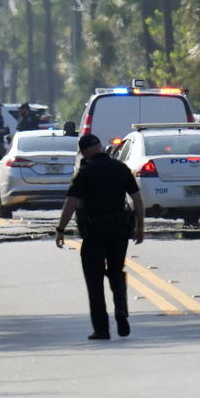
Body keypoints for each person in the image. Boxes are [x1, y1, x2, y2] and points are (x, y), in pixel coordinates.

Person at [54, 133, 145, 340]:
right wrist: (140, 226)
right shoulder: (121, 169)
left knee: (94, 280)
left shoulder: (84, 173)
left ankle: (102, 329)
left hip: (94, 231)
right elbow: (137, 199)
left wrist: (60, 229)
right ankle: (121, 308)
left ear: (85, 151)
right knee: (116, 271)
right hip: (120, 230)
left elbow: (71, 203)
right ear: (101, 147)